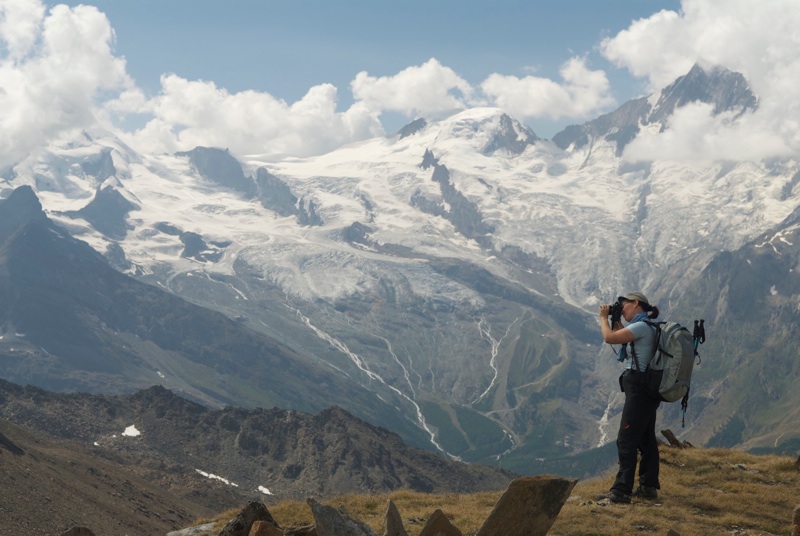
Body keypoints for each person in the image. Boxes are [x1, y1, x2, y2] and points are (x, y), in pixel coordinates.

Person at [596, 291, 661, 504]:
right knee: (645, 438)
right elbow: (623, 334)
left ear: (636, 303)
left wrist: (603, 318)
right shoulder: (647, 326)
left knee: (626, 439)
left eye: (624, 306)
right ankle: (648, 486)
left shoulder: (641, 327)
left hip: (639, 391)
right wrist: (616, 319)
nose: (622, 310)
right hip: (648, 390)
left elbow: (609, 338)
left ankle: (621, 490)